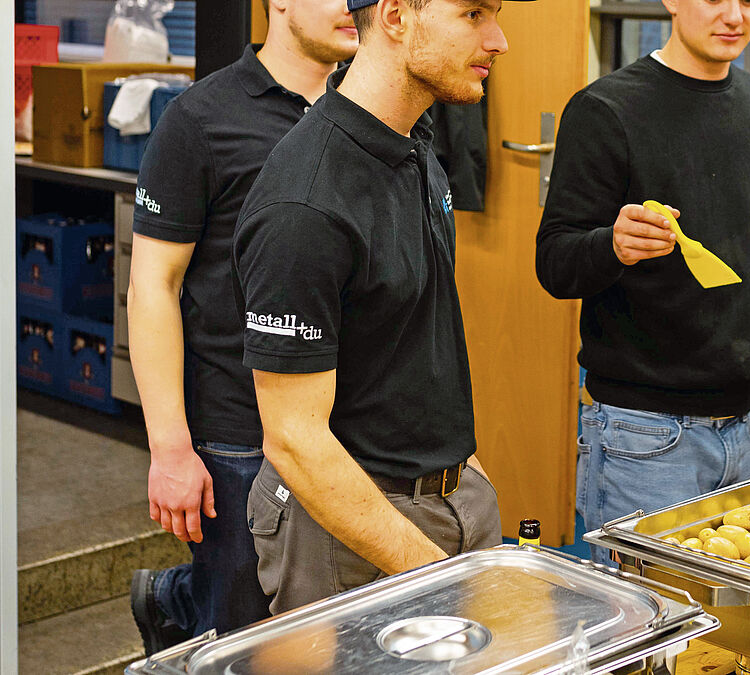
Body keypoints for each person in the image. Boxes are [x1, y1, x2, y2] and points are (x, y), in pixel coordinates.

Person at [230, 0, 523, 614]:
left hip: (451, 498)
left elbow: (413, 336)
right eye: (473, 14)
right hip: (347, 528)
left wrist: (465, 475)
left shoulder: (414, 140)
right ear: (395, 16)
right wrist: (431, 575)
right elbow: (294, 442)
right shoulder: (304, 206)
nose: (498, 40)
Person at [536, 0, 750, 562]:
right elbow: (555, 262)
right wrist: (611, 245)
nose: (735, 15)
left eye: (749, 0)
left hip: (745, 426)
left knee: (723, 631)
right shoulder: (605, 109)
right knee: (639, 634)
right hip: (645, 437)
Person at [126, 0, 358, 655]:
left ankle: (182, 595)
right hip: (239, 432)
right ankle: (180, 599)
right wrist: (171, 448)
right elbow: (153, 285)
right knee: (246, 629)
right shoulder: (201, 118)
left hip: (346, 427)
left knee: (331, 624)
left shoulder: (369, 109)